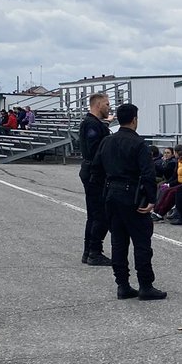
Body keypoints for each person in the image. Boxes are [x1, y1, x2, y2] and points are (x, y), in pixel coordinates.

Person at [91, 102, 165, 300]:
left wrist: (102, 196)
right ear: (134, 119)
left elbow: (96, 170)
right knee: (141, 243)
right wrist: (151, 199)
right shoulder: (139, 143)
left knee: (118, 242)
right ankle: (145, 285)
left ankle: (122, 284)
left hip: (111, 194)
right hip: (132, 195)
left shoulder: (107, 141)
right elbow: (148, 173)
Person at [78, 93, 112, 266]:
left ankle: (89, 251)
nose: (109, 107)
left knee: (94, 214)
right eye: (107, 104)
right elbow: (96, 150)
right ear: (98, 105)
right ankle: (94, 252)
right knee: (101, 214)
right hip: (95, 173)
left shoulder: (94, 123)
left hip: (92, 171)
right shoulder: (92, 124)